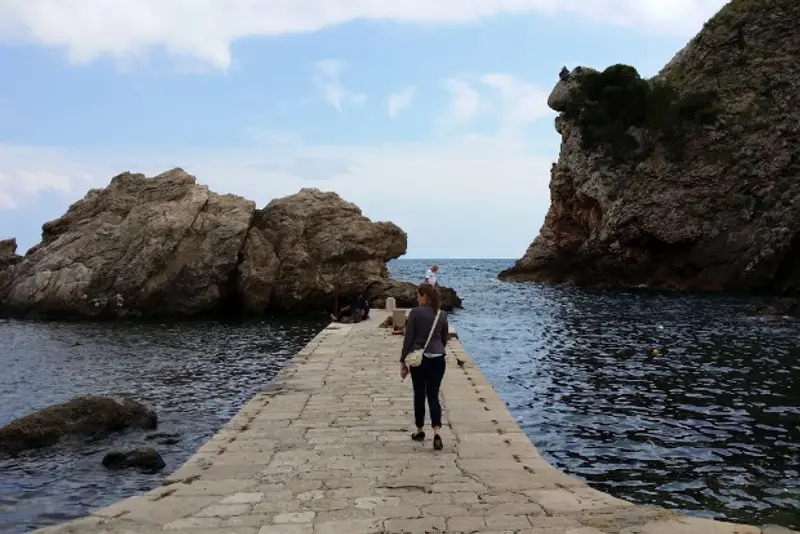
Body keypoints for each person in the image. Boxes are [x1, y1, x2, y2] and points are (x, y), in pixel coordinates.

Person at [399, 284, 449, 450]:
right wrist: (438, 350)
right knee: (433, 395)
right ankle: (437, 433)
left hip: (420, 360)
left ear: (425, 297)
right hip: (438, 359)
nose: (417, 299)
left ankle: (420, 430)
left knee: (419, 394)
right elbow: (444, 339)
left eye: (418, 296)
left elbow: (409, 339)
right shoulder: (442, 314)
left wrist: (403, 361)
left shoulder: (415, 313)